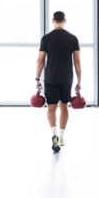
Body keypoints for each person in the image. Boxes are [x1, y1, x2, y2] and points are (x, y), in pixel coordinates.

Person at [35, 11, 82, 153]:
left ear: (53, 20)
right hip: (66, 78)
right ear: (65, 21)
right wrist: (79, 81)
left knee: (51, 108)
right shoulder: (73, 38)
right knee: (64, 107)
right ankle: (61, 137)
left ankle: (54, 133)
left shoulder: (46, 38)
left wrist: (37, 79)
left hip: (50, 78)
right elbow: (77, 61)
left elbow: (40, 60)